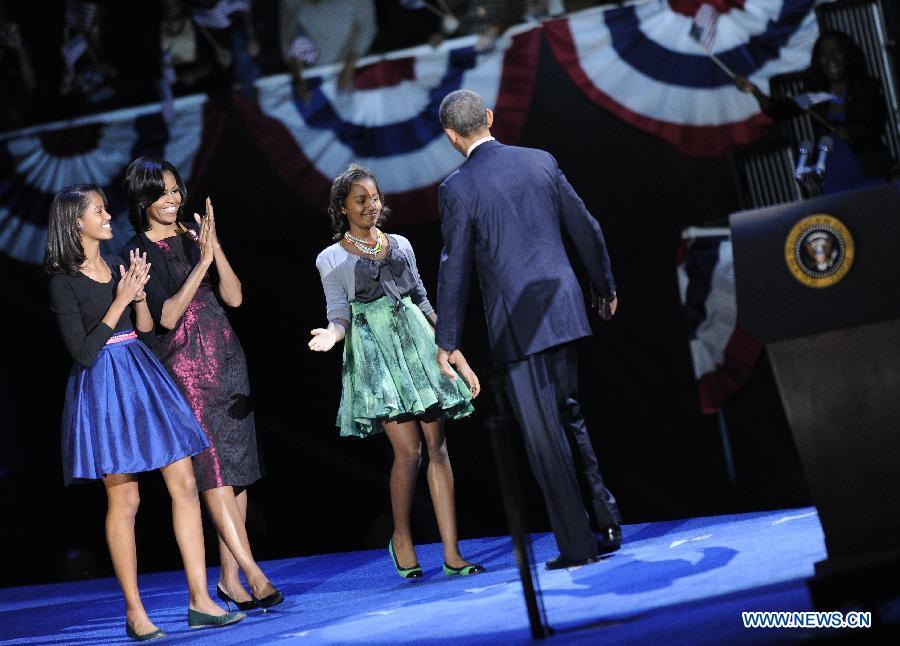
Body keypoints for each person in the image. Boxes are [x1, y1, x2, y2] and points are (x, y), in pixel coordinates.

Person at [46, 184, 245, 640]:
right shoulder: (64, 282)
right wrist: (121, 296)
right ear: (78, 223)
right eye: (99, 210)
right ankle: (135, 612)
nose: (107, 214)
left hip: (141, 370)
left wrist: (137, 299)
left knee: (184, 483)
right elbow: (83, 352)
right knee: (126, 499)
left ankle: (201, 599)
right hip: (104, 387)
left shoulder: (118, 263)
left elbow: (146, 327)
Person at [434, 89, 622, 570]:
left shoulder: (458, 188)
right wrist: (603, 285)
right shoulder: (540, 160)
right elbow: (588, 227)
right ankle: (605, 522)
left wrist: (447, 341)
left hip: (519, 328)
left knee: (544, 438)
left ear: (452, 137)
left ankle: (579, 546)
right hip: (564, 308)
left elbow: (454, 268)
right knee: (572, 417)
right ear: (491, 118)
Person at [121, 157, 282, 611]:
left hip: (227, 356)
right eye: (162, 192)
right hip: (185, 365)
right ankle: (253, 570)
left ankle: (231, 580)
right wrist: (201, 265)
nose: (172, 200)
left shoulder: (194, 238)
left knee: (239, 470)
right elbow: (167, 317)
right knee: (212, 472)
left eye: (176, 190)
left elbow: (233, 296)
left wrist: (213, 249)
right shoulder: (139, 249)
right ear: (142, 199)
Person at [309, 164, 485, 578]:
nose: (371, 206)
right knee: (408, 452)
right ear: (343, 208)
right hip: (377, 355)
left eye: (375, 197)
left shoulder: (401, 244)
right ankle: (402, 537)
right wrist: (332, 337)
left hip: (419, 349)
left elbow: (423, 302)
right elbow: (339, 315)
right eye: (361, 200)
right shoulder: (331, 259)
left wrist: (455, 355)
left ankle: (452, 552)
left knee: (437, 447)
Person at [734, 30, 896, 193]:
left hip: (869, 171)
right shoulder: (814, 95)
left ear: (847, 54)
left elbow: (876, 126)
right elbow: (780, 111)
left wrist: (851, 131)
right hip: (833, 175)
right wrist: (754, 91)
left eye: (836, 52)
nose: (830, 59)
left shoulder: (866, 88)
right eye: (824, 54)